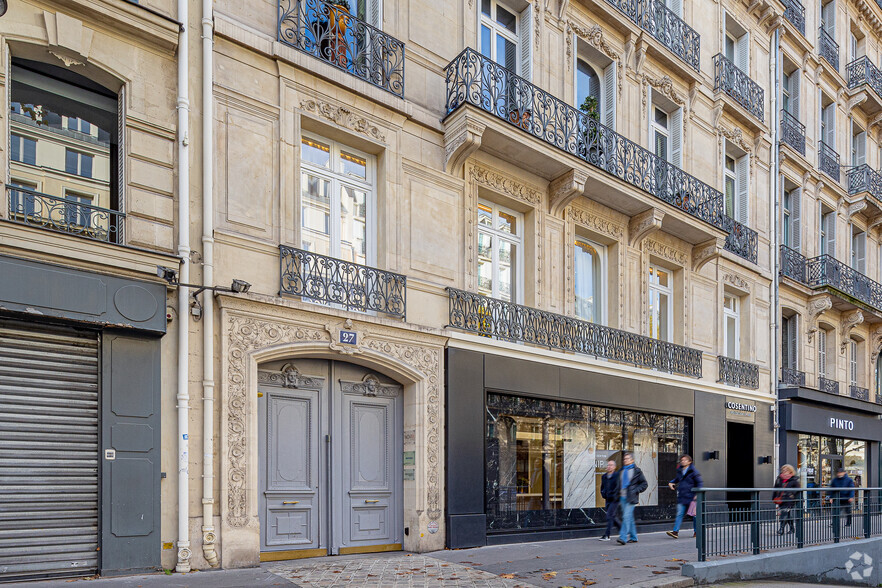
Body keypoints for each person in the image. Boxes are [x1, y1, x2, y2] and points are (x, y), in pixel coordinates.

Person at [666, 454, 703, 539]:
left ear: (690, 462)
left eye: (685, 460)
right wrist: (671, 482)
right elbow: (677, 479)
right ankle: (675, 532)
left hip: (692, 497)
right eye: (682, 460)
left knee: (694, 516)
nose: (683, 461)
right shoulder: (680, 470)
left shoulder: (694, 472)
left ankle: (697, 532)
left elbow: (700, 483)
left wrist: (697, 494)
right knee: (679, 514)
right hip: (682, 496)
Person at [616, 452, 648, 545]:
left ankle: (623, 537)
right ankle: (634, 537)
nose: (625, 460)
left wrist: (635, 490)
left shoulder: (637, 471)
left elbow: (644, 484)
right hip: (622, 497)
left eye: (627, 459)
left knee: (626, 516)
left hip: (631, 498)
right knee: (628, 518)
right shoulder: (621, 471)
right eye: (624, 459)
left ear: (632, 460)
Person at [773, 464, 800, 535]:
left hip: (789, 500)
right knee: (787, 514)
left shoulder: (794, 480)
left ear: (790, 471)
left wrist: (790, 494)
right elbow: (775, 489)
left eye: (786, 470)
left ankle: (781, 529)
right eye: (783, 470)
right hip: (781, 499)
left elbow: (797, 489)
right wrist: (774, 497)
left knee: (784, 513)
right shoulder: (779, 479)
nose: (784, 471)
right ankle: (792, 528)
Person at [599, 459, 621, 541]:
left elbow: (618, 487)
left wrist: (615, 495)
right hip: (607, 499)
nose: (609, 467)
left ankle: (607, 535)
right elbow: (602, 487)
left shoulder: (617, 476)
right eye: (608, 465)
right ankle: (622, 530)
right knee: (613, 517)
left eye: (611, 465)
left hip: (615, 499)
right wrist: (603, 494)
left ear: (614, 467)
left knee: (609, 516)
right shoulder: (604, 476)